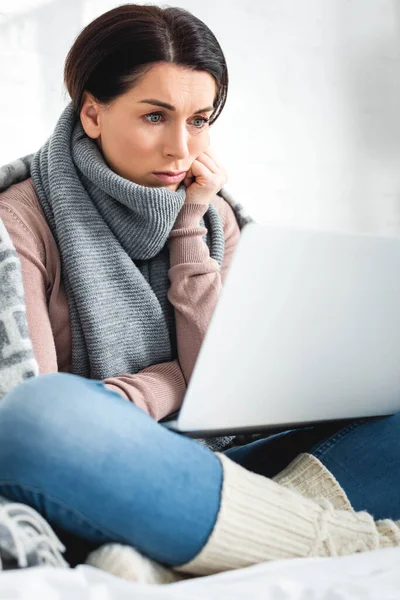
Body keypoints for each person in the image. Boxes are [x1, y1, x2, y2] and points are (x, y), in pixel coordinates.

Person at [0, 2, 399, 585]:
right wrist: (172, 384)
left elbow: (236, 396)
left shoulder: (214, 219)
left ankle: (185, 552)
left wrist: (190, 222)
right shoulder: (20, 219)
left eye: (200, 120)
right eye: (156, 116)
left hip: (220, 468)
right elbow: (34, 402)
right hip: (110, 469)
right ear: (91, 113)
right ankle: (325, 537)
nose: (181, 150)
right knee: (42, 421)